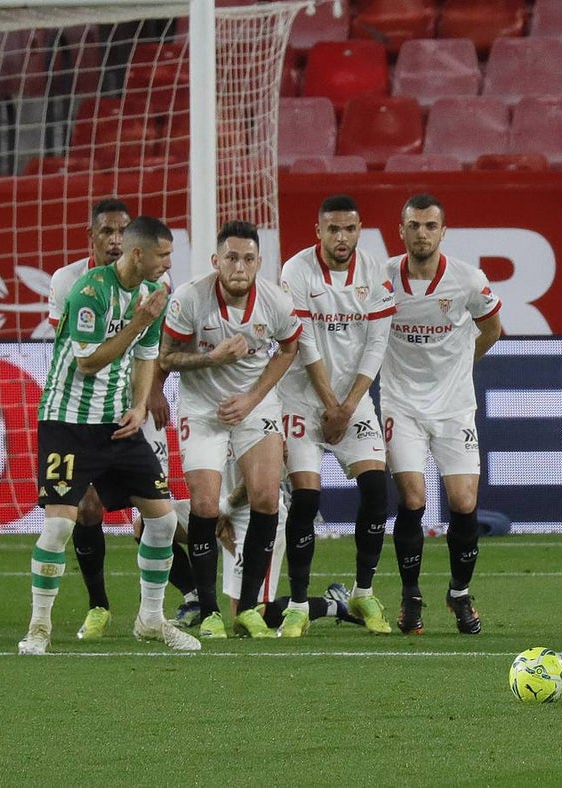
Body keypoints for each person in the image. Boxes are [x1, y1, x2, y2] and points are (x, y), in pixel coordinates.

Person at [19, 216, 200, 654]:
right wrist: (138, 321)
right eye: (162, 254)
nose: (168, 263)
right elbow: (87, 363)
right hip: (68, 425)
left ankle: (151, 621)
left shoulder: (152, 295)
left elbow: (145, 356)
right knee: (59, 527)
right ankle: (39, 627)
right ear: (138, 254)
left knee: (163, 520)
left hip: (117, 423)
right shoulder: (90, 292)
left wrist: (139, 406)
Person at [159, 220, 301, 639]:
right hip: (203, 408)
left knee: (266, 498)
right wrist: (211, 359)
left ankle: (250, 607)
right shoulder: (189, 300)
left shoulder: (275, 301)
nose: (240, 267)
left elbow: (289, 347)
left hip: (253, 408)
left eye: (249, 259)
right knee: (204, 508)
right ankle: (208, 611)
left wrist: (253, 398)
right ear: (215, 260)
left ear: (260, 262)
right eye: (232, 258)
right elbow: (165, 356)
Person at [382, 193, 502, 635]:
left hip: (454, 408)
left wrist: (460, 366)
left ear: (443, 232)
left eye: (430, 226)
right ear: (401, 230)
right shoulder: (381, 278)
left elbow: (492, 328)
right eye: (414, 225)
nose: (422, 234)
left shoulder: (468, 280)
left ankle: (458, 592)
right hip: (401, 405)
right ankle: (410, 595)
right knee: (412, 499)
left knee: (464, 502)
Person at [278, 194, 396, 636]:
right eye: (333, 229)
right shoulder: (297, 270)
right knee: (305, 500)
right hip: (302, 399)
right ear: (318, 231)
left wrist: (348, 405)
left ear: (359, 229)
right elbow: (303, 342)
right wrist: (330, 404)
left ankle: (363, 593)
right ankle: (296, 604)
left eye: (349, 229)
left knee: (376, 490)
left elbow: (377, 344)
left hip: (353, 400)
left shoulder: (374, 273)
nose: (341, 237)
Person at [131, 456, 364, 629]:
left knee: (250, 615)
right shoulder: (202, 406)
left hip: (252, 513)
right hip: (213, 512)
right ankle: (195, 600)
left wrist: (227, 508)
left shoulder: (254, 405)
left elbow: (273, 465)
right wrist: (208, 515)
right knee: (146, 524)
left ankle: (331, 603)